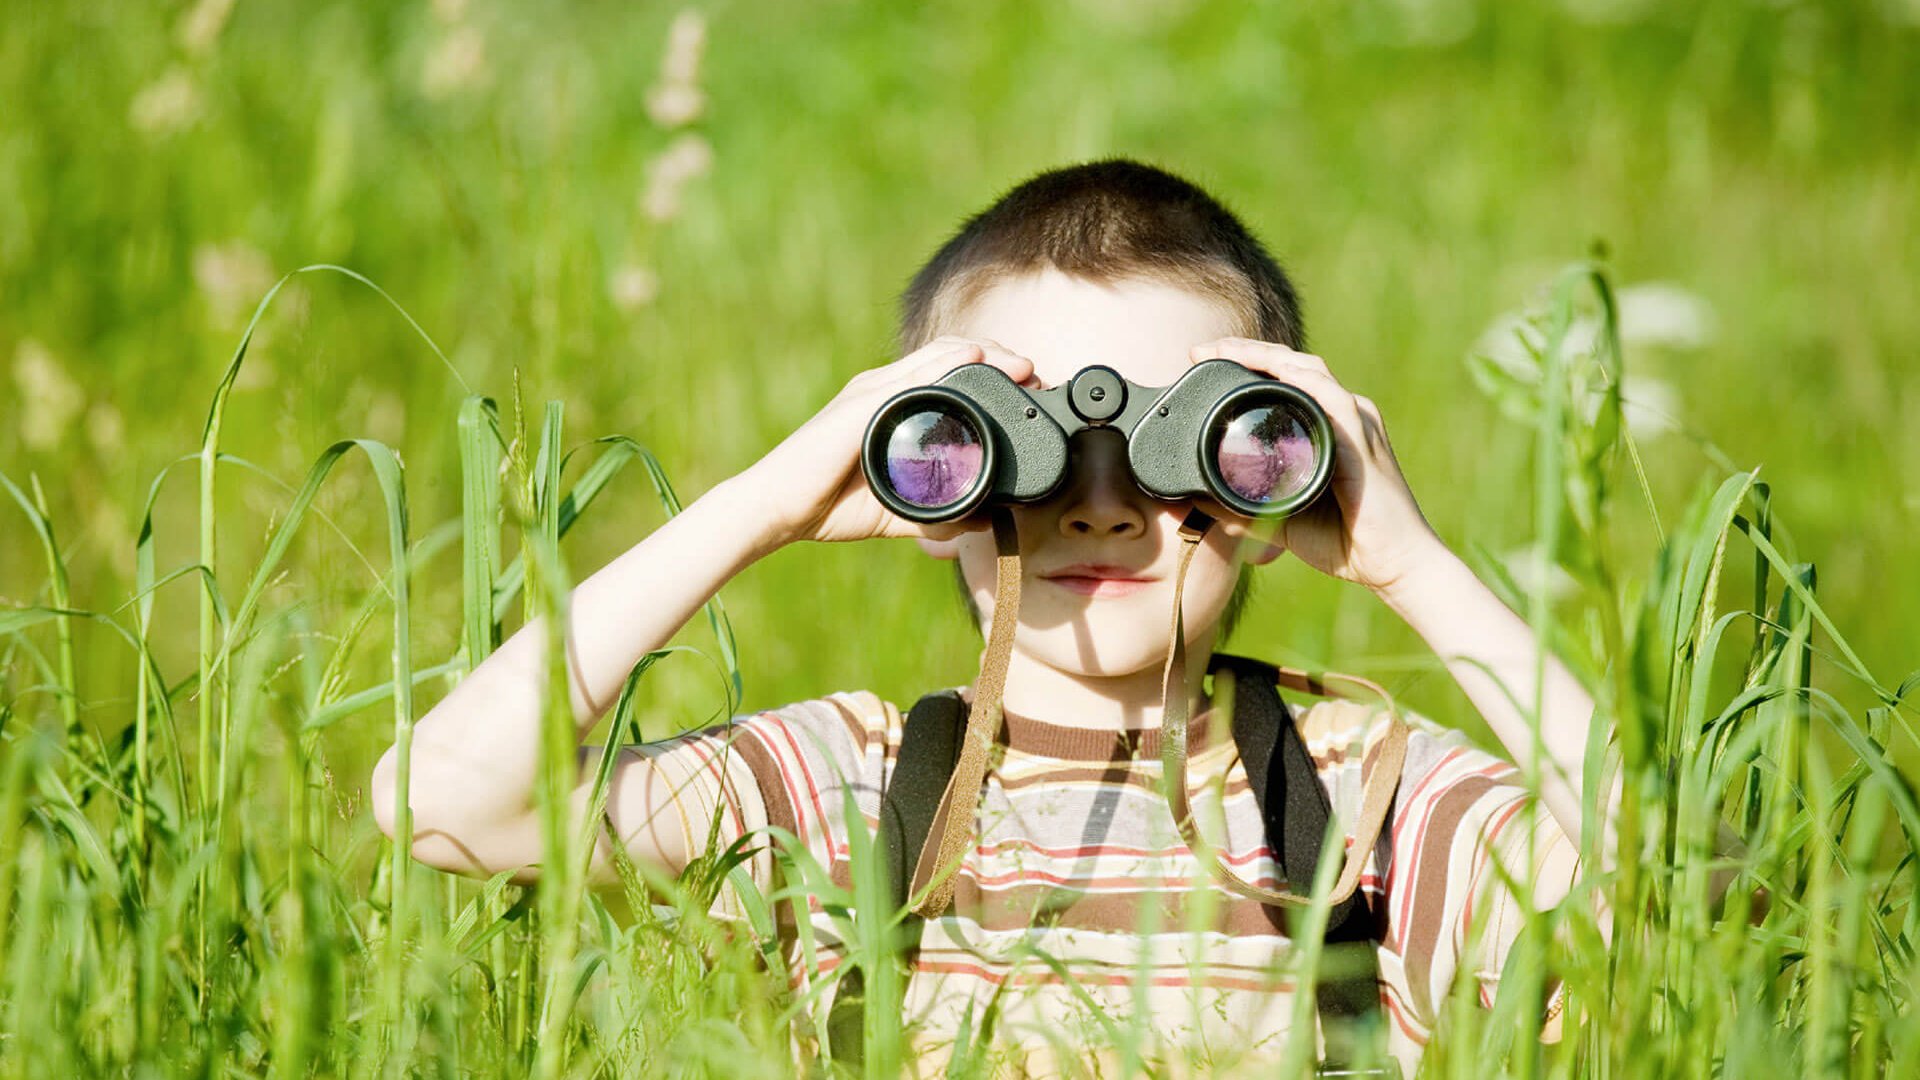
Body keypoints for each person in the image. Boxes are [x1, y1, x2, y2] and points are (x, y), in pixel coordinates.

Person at [372, 158, 1604, 1076]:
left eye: (1186, 449)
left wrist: (1411, 561)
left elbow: (1680, 900)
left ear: (1278, 467)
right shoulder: (844, 789)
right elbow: (446, 803)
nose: (1104, 508)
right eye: (1034, 451)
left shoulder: (1372, 800)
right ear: (935, 469)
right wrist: (765, 502)